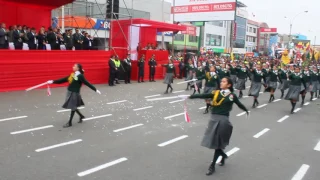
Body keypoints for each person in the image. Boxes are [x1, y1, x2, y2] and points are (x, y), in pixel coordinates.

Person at [189, 77, 249, 176]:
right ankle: (223, 155)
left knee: (217, 144)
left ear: (229, 85)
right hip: (213, 119)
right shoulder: (216, 93)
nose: (221, 82)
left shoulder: (231, 96)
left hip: (223, 120)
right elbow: (204, 95)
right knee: (214, 141)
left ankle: (212, 165)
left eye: (224, 81)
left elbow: (239, 104)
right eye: (221, 81)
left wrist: (246, 111)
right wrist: (190, 96)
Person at [47, 64, 101, 128]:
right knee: (73, 106)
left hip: (75, 93)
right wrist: (52, 81)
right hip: (69, 92)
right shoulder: (72, 75)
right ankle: (81, 116)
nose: (73, 67)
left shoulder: (80, 76)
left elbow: (87, 83)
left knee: (73, 106)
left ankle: (70, 122)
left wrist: (95, 90)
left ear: (78, 68)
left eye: (74, 66)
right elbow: (62, 80)